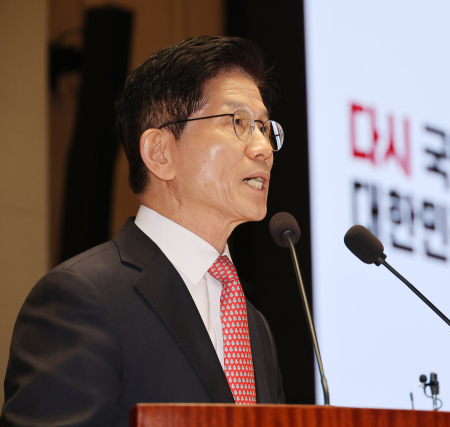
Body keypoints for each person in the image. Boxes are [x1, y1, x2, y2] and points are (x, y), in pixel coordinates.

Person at [2, 36, 285, 427]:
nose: (263, 148)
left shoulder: (254, 326)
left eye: (264, 127)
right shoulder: (83, 297)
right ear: (159, 152)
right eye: (238, 123)